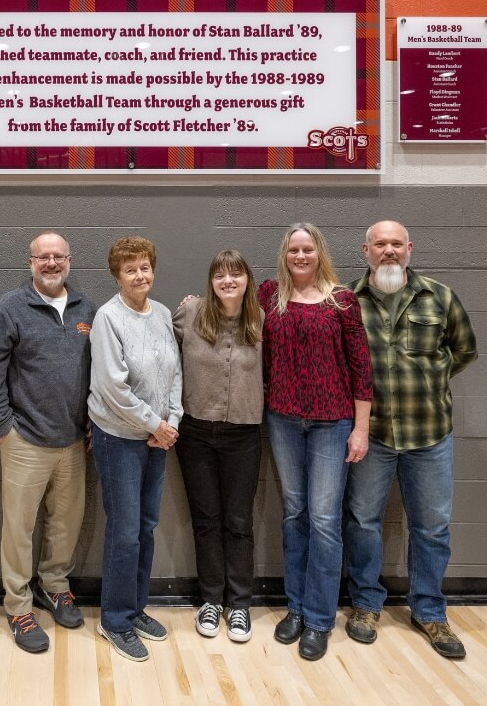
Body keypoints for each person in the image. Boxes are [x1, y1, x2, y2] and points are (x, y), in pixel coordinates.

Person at [344, 220, 478, 660]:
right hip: (372, 435)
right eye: (379, 244)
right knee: (363, 522)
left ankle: (430, 610)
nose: (388, 251)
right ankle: (365, 604)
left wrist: (429, 381)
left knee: (432, 527)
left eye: (396, 244)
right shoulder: (346, 301)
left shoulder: (440, 296)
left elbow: (463, 351)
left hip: (429, 435)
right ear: (365, 251)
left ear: (409, 249)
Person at [0, 232, 95, 654]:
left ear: (69, 260)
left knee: (66, 523)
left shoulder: (87, 309)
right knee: (19, 529)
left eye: (58, 257)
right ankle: (18, 605)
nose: (50, 264)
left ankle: (56, 587)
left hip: (72, 441)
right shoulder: (9, 308)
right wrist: (3, 429)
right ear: (30, 262)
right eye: (42, 257)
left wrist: (91, 422)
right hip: (23, 439)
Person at [258, 222, 372, 662]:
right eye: (293, 250)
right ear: (284, 255)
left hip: (333, 423)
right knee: (294, 513)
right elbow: (228, 303)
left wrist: (360, 428)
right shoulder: (271, 295)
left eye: (307, 249)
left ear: (318, 252)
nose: (300, 256)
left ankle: (320, 619)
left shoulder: (342, 301)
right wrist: (193, 304)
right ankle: (295, 609)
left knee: (324, 519)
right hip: (283, 419)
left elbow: (362, 369)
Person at [89, 235, 183, 663]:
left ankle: (136, 607)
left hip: (158, 438)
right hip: (120, 440)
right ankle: (116, 620)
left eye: (145, 267)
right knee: (124, 532)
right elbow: (111, 386)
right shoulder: (108, 318)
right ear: (117, 275)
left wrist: (172, 422)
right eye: (130, 269)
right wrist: (154, 425)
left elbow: (175, 373)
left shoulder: (162, 313)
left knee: (145, 527)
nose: (140, 275)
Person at [172, 250, 263, 643]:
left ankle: (239, 604)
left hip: (243, 433)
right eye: (220, 275)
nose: (228, 281)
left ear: (247, 280)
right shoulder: (189, 314)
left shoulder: (263, 321)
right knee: (206, 520)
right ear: (210, 281)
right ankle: (211, 599)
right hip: (195, 433)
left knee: (239, 523)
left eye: (236, 274)